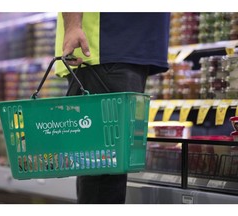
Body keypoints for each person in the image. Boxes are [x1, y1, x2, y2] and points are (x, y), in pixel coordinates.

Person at [54, 12, 170, 204]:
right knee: (104, 169)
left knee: (106, 168)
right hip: (103, 49)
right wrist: (73, 26)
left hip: (125, 51)